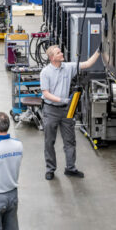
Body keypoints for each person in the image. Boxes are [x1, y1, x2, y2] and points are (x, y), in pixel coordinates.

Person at [40, 44, 100, 181]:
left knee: (70, 140)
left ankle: (70, 168)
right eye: (58, 52)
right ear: (52, 57)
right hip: (51, 110)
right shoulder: (45, 72)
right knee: (49, 141)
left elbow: (87, 64)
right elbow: (46, 93)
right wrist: (62, 100)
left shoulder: (68, 67)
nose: (62, 53)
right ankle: (50, 169)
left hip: (67, 109)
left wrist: (99, 50)